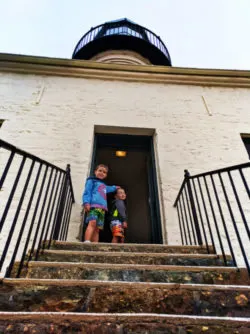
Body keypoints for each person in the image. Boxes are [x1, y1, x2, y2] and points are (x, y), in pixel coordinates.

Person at [82, 164, 118, 243]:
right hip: (93, 206)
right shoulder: (91, 180)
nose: (102, 173)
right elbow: (87, 192)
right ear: (95, 172)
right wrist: (86, 202)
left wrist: (115, 187)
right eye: (100, 171)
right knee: (92, 223)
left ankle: (95, 244)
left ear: (106, 175)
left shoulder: (103, 185)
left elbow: (109, 188)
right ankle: (87, 241)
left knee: (97, 228)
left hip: (102, 209)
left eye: (104, 172)